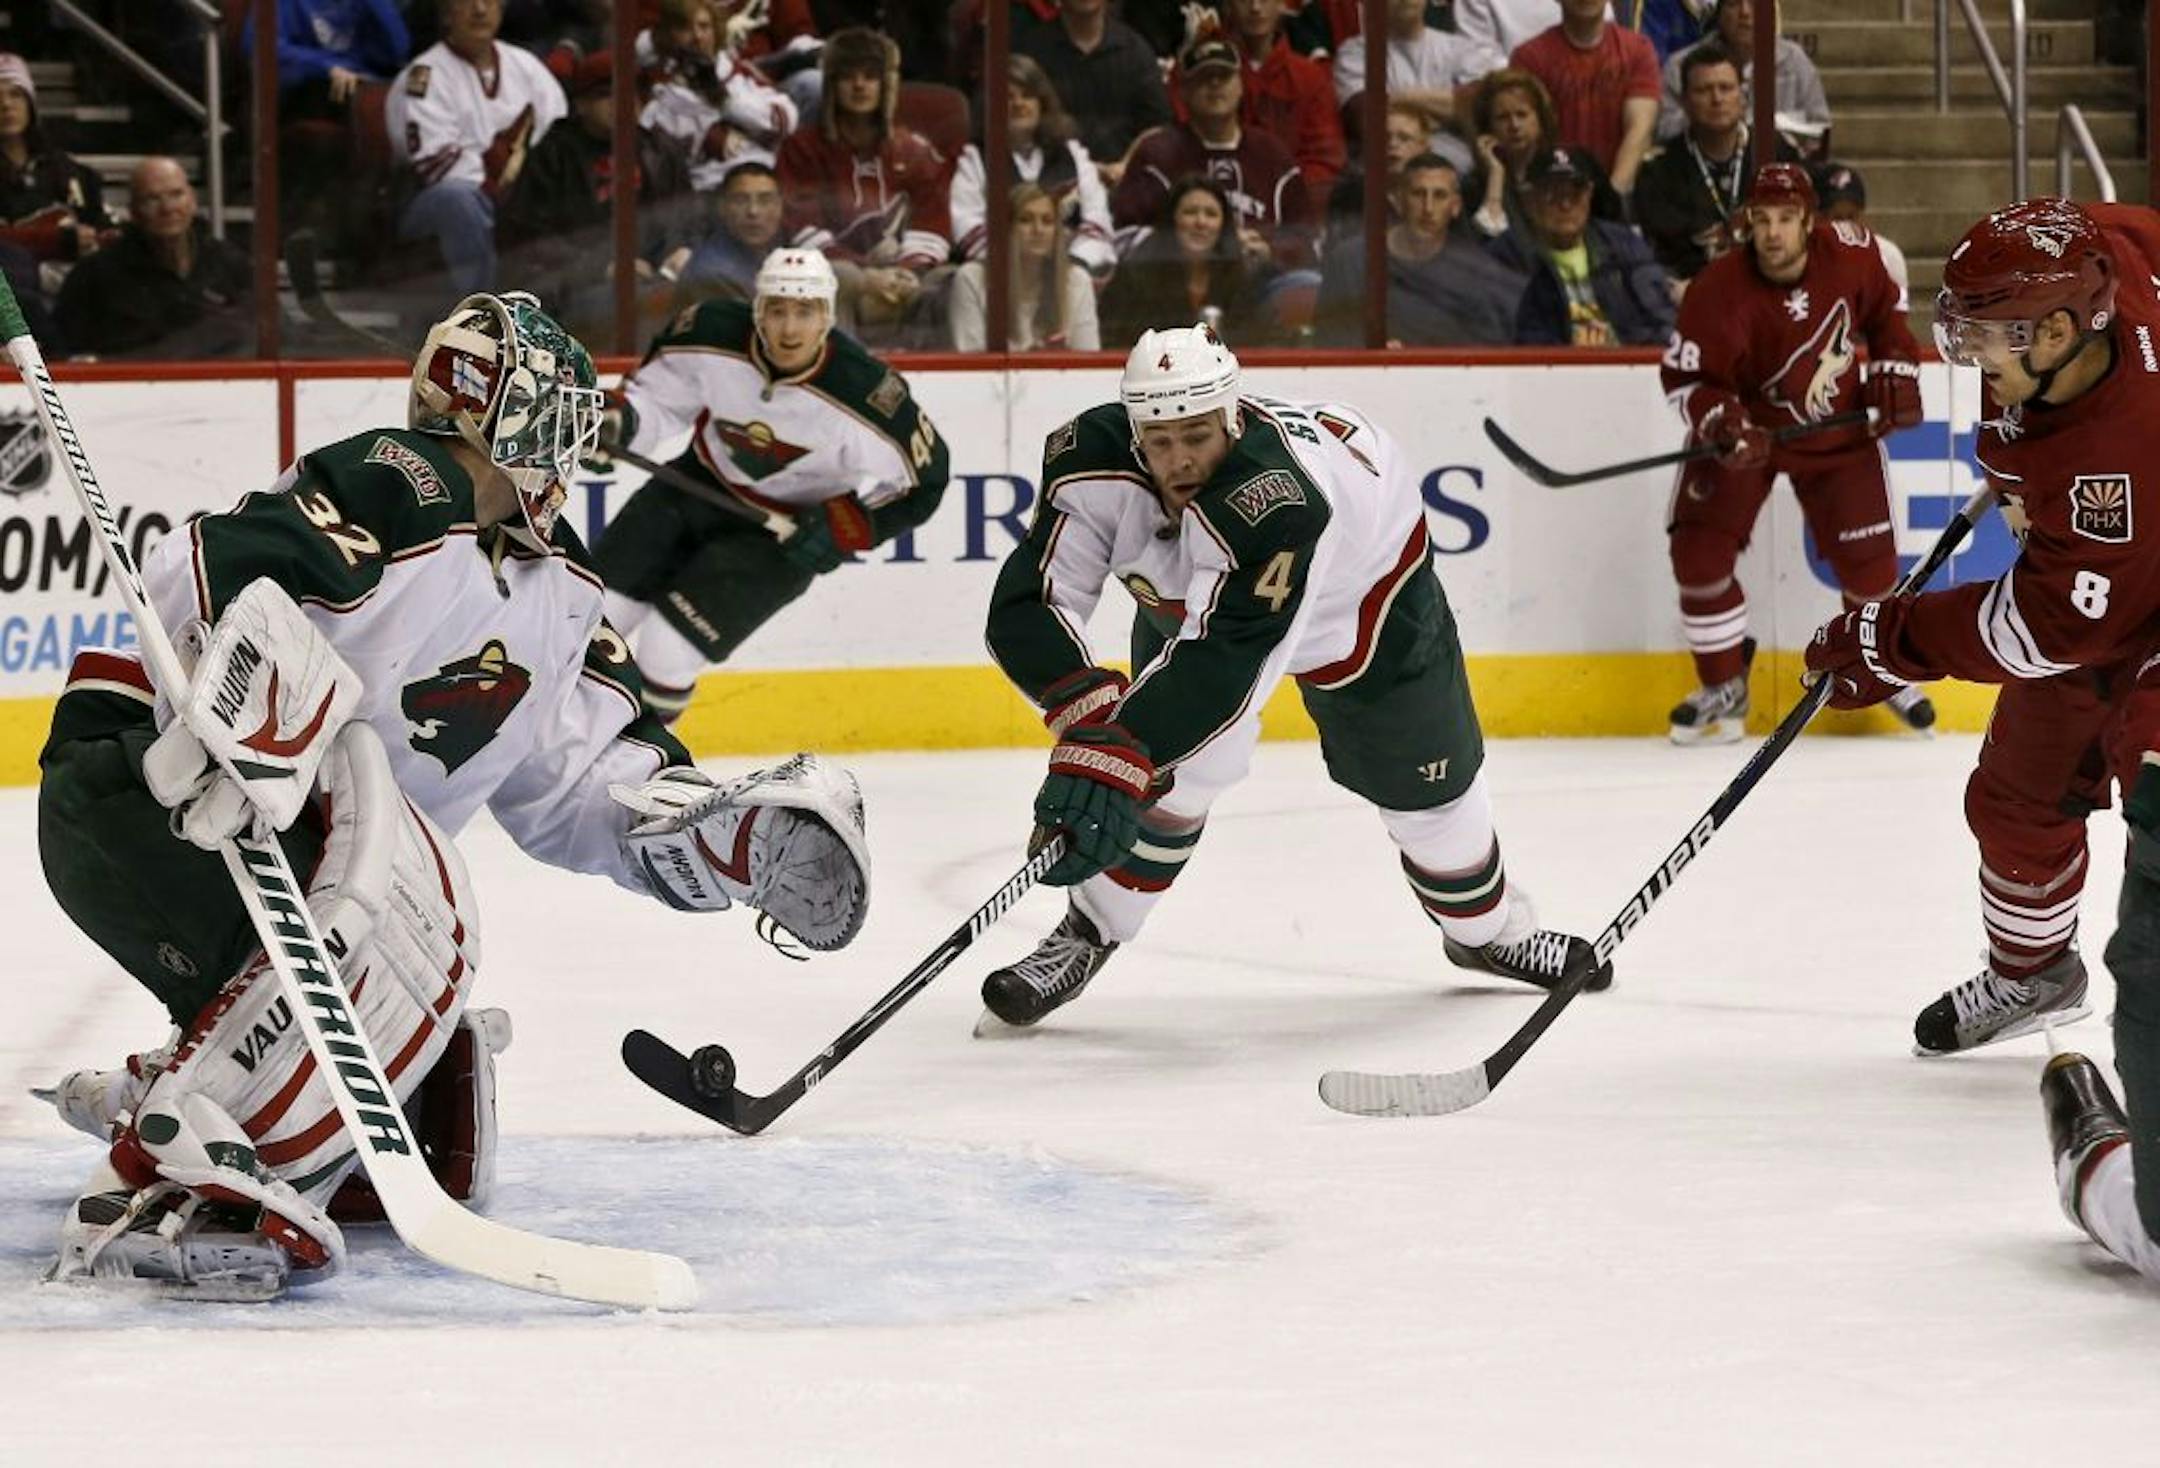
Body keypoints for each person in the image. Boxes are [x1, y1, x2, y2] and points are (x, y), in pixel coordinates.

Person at [31, 291, 870, 1297]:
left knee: (443, 1094)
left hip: (301, 863)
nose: (568, 457)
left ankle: (201, 1097)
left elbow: (578, 782)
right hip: (141, 790)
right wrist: (234, 712)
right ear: (490, 410)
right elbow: (198, 573)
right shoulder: (403, 480)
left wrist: (712, 833)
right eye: (554, 425)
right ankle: (161, 1171)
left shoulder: (563, 593)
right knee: (413, 911)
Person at [973, 321, 1612, 1029]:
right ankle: (1090, 929)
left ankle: (1489, 933)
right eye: (1161, 441)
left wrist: (1114, 751)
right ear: (1134, 433)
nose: (1180, 460)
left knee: (1428, 789)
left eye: (1198, 437)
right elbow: (1031, 601)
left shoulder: (1283, 498)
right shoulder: (1088, 461)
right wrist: (1090, 722)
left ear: (1233, 417)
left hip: (1363, 590)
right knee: (1176, 768)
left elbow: (1227, 664)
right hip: (1202, 596)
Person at [1800, 199, 2160, 1056]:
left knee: (2157, 780)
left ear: (2064, 330)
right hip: (2102, 591)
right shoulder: (2105, 259)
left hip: (2117, 601)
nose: (1970, 355)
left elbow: (2043, 629)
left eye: (1990, 337)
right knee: (2015, 795)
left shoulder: (2114, 459)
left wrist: (1890, 644)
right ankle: (2034, 974)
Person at [590, 249, 951, 724]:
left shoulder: (864, 394)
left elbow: (924, 480)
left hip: (781, 537)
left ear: (828, 316)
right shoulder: (710, 332)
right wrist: (622, 422)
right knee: (593, 622)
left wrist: (848, 526)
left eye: (805, 311)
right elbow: (657, 400)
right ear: (756, 308)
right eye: (777, 310)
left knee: (667, 649)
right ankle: (564, 754)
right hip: (694, 487)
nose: (789, 329)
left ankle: (642, 766)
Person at [1661, 163, 1924, 745]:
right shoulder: (1716, 290)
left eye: (1785, 219)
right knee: (1698, 556)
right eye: (1761, 220)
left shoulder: (1855, 255)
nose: (1773, 233)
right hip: (1745, 438)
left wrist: (1895, 370)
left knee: (1872, 567)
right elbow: (1685, 379)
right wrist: (1721, 422)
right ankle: (1723, 686)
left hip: (1836, 432)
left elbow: (1888, 318)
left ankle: (1878, 668)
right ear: (1747, 224)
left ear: (1810, 221)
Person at [495, 50, 701, 346]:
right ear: (581, 104)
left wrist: (679, 249)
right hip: (576, 288)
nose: (622, 104)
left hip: (657, 278)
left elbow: (688, 217)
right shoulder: (553, 155)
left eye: (632, 93)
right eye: (607, 95)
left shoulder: (660, 150)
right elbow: (530, 243)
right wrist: (604, 266)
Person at [774, 27, 952, 343]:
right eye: (848, 77)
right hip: (844, 273)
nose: (859, 85)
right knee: (833, 278)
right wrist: (864, 276)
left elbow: (933, 223)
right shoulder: (802, 149)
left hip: (904, 275)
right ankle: (837, 377)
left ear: (887, 85)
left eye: (870, 76)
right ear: (831, 85)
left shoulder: (914, 151)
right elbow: (800, 227)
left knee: (949, 282)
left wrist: (907, 272)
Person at [384, 0, 567, 297]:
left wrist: (525, 184)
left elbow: (559, 129)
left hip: (518, 196)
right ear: (446, 14)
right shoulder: (423, 75)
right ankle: (482, 307)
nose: (480, 10)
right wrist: (497, 182)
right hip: (429, 203)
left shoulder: (526, 66)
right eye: (467, 2)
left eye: (490, 1)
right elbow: (434, 164)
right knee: (458, 199)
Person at [1113, 37, 1317, 273]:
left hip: (1260, 284)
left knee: (1303, 284)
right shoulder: (1157, 154)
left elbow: (1308, 239)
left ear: (1241, 86)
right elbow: (1122, 239)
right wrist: (1192, 246)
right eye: (1204, 77)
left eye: (1224, 76)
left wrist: (1269, 250)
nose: (1215, 84)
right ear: (1183, 91)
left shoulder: (1272, 154)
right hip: (1175, 287)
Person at [1632, 41, 1798, 290]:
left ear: (1742, 96)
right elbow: (1668, 254)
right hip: (1695, 293)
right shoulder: (1659, 169)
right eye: (1704, 90)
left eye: (1726, 88)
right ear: (1685, 101)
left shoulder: (1776, 150)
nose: (1717, 99)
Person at [1316, 153, 1524, 346]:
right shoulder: (1349, 259)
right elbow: (1329, 340)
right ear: (1398, 201)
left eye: (1440, 195)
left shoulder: (1476, 270)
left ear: (1456, 206)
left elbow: (1489, 351)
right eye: (1418, 194)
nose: (1428, 208)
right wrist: (1371, 355)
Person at [52, 158, 251, 359]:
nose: (167, 208)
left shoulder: (230, 263)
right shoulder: (95, 276)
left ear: (192, 201)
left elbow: (274, 336)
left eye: (176, 195)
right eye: (152, 199)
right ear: (133, 211)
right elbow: (66, 358)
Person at [950, 54, 1116, 281]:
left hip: (1073, 273)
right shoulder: (975, 159)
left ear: (1042, 103)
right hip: (999, 279)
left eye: (1028, 96)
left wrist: (1071, 265)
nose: (1018, 104)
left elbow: (1097, 221)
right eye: (1008, 97)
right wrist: (1018, 266)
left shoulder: (1073, 154)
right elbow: (967, 224)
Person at [1486, 144, 1671, 346]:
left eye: (1574, 194)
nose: (1565, 205)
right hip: (1551, 370)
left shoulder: (1622, 244)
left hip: (1628, 364)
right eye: (1553, 194)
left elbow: (1661, 316)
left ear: (1589, 194)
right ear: (1530, 199)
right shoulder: (1507, 255)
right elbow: (1512, 334)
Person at [0, 51, 111, 339]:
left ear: (31, 103)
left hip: (74, 284)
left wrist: (101, 236)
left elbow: (100, 223)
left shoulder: (69, 170)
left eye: (16, 95)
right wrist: (54, 240)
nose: (6, 105)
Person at [638, 0, 799, 191]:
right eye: (685, 29)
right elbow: (660, 152)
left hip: (763, 179)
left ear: (716, 32)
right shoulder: (659, 91)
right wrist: (708, 136)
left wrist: (725, 101)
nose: (697, 37)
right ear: (669, 35)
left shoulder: (738, 74)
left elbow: (785, 120)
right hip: (707, 193)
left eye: (704, 27)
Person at [1510, 0, 1662, 198]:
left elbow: (1639, 129)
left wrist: (1611, 195)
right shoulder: (1529, 57)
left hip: (1618, 194)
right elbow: (1527, 140)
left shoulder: (1638, 50)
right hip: (1552, 194)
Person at [1016, 0, 1174, 186]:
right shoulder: (1033, 50)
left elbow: (1158, 127)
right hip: (1051, 185)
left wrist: (1125, 165)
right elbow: (1018, 124)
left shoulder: (1136, 52)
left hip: (1123, 183)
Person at [1099, 176, 1266, 347]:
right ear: (1172, 221)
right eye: (1190, 212)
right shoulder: (1135, 275)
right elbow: (1116, 340)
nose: (1201, 222)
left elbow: (1255, 340)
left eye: (1211, 214)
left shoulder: (1240, 278)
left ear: (1223, 226)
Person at [949, 183, 1102, 351]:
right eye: (1025, 220)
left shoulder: (1077, 281)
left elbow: (1088, 359)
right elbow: (972, 364)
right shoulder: (972, 278)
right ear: (1006, 229)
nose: (1038, 230)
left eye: (1047, 221)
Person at [1655, 0, 1828, 148]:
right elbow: (1663, 130)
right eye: (1733, 3)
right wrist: (1710, 120)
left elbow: (1819, 127)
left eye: (1754, 3)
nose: (1744, 12)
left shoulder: (1793, 60)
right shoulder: (1681, 65)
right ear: (1719, 14)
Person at [1221, 0, 1347, 199]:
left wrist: (1285, 196)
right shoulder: (1204, 73)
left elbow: (1324, 159)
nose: (1255, 7)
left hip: (1291, 205)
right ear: (1229, 6)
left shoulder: (1310, 78)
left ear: (1282, 4)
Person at [1332, 0, 1492, 140]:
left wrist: (1399, 97)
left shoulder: (1461, 48)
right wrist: (1449, 109)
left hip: (1459, 162)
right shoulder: (1355, 53)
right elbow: (1368, 116)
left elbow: (1479, 109)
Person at [674, 158, 786, 305]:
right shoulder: (713, 275)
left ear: (780, 207)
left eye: (765, 200)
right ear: (722, 207)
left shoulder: (774, 249)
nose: (753, 211)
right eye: (740, 200)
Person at [1466, 66, 1559, 240]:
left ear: (1540, 119)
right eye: (1502, 117)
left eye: (1522, 115)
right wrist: (1496, 175)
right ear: (1488, 127)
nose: (1514, 125)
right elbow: (1487, 240)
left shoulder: (1561, 170)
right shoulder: (1475, 184)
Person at [1810, 160, 1907, 304]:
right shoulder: (1801, 260)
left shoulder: (1887, 256)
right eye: (1836, 218)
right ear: (1816, 218)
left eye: (1851, 217)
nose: (1845, 226)